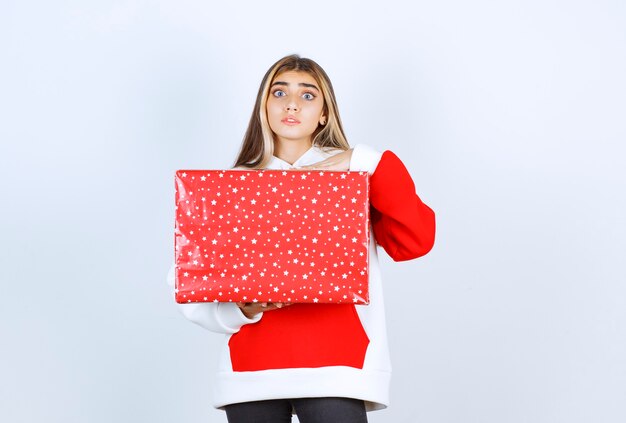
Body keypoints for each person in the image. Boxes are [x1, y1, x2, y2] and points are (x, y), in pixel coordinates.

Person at [167, 54, 436, 423]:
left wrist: (364, 161)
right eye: (279, 93)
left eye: (308, 95)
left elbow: (416, 240)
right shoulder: (232, 186)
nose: (292, 104)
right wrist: (242, 309)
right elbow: (189, 280)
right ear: (264, 106)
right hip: (252, 369)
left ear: (324, 113)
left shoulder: (357, 178)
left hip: (339, 365)